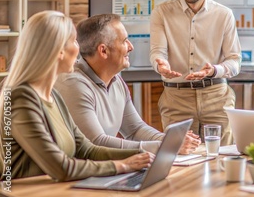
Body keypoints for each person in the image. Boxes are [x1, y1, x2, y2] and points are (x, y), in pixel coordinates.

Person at [0, 11, 153, 181]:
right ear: (59, 51)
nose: (80, 49)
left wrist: (144, 154)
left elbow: (87, 150)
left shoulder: (53, 96)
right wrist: (123, 165)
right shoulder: (21, 99)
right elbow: (61, 167)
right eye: (74, 41)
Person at [55, 14, 201, 155]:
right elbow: (97, 143)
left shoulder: (116, 80)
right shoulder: (73, 84)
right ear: (103, 50)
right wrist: (166, 146)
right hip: (76, 175)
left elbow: (135, 130)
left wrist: (170, 140)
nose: (131, 47)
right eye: (124, 41)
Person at [150, 0, 241, 145]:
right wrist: (161, 65)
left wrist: (214, 70)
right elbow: (157, 52)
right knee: (177, 159)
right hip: (176, 99)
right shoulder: (162, 12)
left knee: (220, 157)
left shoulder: (224, 15)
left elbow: (234, 60)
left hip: (216, 97)